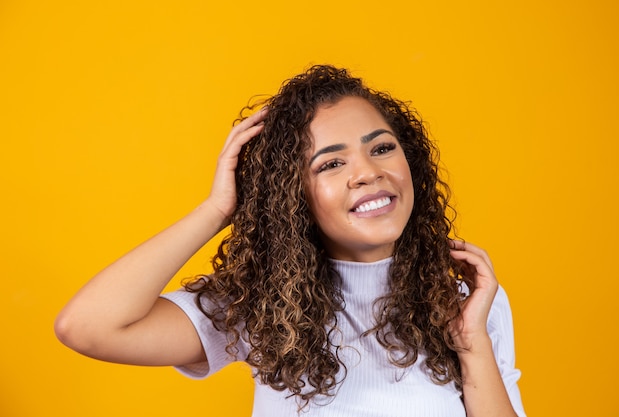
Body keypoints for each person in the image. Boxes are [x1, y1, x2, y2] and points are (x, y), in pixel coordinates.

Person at [55, 65, 526, 417]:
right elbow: (88, 327)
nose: (368, 173)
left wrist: (471, 344)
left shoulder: (468, 302)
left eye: (381, 147)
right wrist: (218, 210)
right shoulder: (260, 304)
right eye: (330, 164)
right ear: (291, 195)